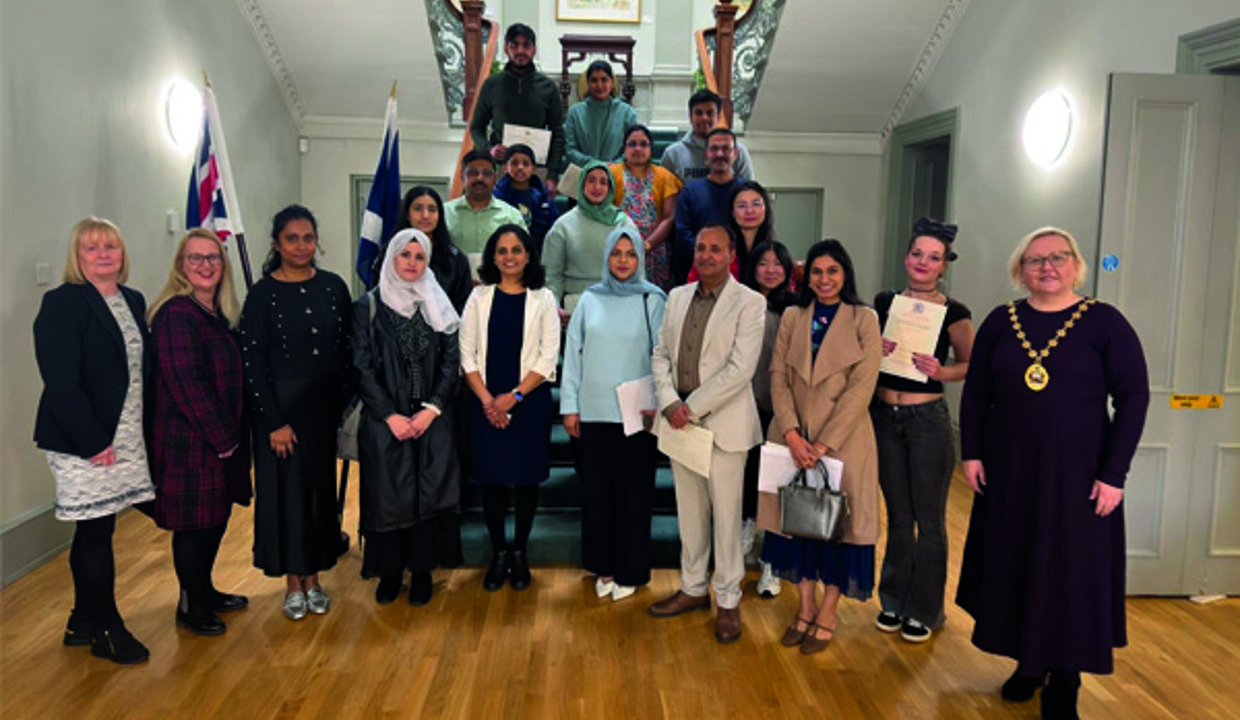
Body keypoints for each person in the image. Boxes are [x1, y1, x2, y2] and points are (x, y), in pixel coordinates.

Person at [957, 227, 1149, 720]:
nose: (1047, 267)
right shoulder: (1002, 322)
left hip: (1079, 474)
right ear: (1020, 270)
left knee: (1070, 572)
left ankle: (1065, 676)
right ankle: (1029, 663)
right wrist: (971, 452)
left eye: (1058, 257)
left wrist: (1114, 474)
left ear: (1076, 266)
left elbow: (1133, 397)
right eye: (1035, 259)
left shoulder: (1104, 322)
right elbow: (977, 391)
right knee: (1018, 562)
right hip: (1011, 470)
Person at [33, 217, 156, 665]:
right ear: (77, 256)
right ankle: (108, 629)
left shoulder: (132, 299)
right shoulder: (63, 303)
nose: (103, 254)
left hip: (126, 435)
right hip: (83, 439)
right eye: (91, 248)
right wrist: (91, 441)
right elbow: (61, 383)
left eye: (111, 246)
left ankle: (81, 621)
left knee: (96, 528)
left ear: (122, 254)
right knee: (96, 530)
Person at [647, 225, 766, 645]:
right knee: (690, 513)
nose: (707, 255)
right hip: (679, 423)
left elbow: (741, 369)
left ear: (731, 254)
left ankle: (729, 600)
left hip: (723, 426)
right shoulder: (677, 297)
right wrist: (669, 403)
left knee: (727, 520)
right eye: (701, 248)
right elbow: (660, 354)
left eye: (716, 248)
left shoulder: (749, 302)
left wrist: (690, 408)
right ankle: (693, 588)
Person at [763, 239, 882, 656]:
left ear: (845, 273)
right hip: (792, 437)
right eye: (816, 271)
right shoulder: (793, 316)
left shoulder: (865, 318)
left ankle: (828, 612)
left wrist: (823, 442)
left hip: (844, 442)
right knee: (796, 523)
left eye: (833, 271)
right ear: (806, 276)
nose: (825, 279)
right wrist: (792, 433)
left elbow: (862, 387)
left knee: (839, 528)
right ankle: (805, 607)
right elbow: (777, 376)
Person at [240, 204, 352, 621]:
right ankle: (293, 582)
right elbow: (252, 361)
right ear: (277, 243)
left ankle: (316, 578)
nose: (301, 246)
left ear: (316, 241)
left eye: (308, 238)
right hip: (279, 415)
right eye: (292, 238)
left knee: (319, 497)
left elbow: (346, 349)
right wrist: (274, 421)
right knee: (286, 498)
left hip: (323, 413)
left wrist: (341, 406)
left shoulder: (334, 286)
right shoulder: (262, 294)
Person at [870, 217, 974, 644]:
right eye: (917, 254)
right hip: (883, 419)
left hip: (926, 422)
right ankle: (893, 600)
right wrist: (872, 348)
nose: (923, 263)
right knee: (898, 516)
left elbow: (971, 364)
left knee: (929, 522)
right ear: (906, 257)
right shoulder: (884, 302)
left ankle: (926, 609)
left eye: (934, 257)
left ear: (944, 265)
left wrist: (941, 371)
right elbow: (859, 354)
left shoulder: (955, 312)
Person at [147, 229, 251, 638]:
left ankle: (205, 589)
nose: (206, 265)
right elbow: (187, 383)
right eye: (196, 258)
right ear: (181, 265)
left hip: (218, 441)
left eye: (213, 258)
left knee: (214, 520)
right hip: (190, 444)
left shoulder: (218, 315)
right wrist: (224, 439)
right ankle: (191, 603)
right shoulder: (176, 315)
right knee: (193, 527)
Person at [352, 229, 462, 607]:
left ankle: (421, 571)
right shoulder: (368, 305)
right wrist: (389, 415)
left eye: (420, 256)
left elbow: (451, 360)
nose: (412, 263)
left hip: (432, 419)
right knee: (389, 498)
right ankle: (390, 572)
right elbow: (361, 366)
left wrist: (433, 408)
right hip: (386, 421)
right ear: (391, 258)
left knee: (427, 498)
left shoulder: (438, 302)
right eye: (405, 255)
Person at [561, 228, 666, 602]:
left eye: (630, 253)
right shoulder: (589, 300)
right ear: (606, 257)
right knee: (597, 494)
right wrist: (570, 406)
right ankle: (602, 566)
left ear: (640, 258)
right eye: (616, 253)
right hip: (593, 412)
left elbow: (662, 356)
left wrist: (659, 403)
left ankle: (630, 569)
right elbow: (573, 355)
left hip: (637, 414)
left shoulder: (653, 299)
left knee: (633, 496)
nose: (623, 260)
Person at [459, 225, 560, 592]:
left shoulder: (543, 299)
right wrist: (489, 401)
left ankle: (520, 552)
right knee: (493, 480)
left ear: (528, 255)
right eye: (502, 251)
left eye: (517, 250)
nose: (509, 257)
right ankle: (499, 552)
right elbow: (466, 354)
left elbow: (548, 357)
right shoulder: (478, 297)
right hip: (484, 402)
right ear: (492, 257)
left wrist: (512, 398)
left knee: (526, 480)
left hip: (528, 403)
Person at [738, 240, 797, 599]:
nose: (771, 270)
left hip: (784, 410)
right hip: (746, 406)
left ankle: (772, 565)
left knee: (779, 487)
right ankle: (746, 529)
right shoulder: (740, 303)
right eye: (763, 263)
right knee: (748, 478)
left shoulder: (796, 307)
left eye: (778, 263)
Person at [469, 23, 565, 195]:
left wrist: (552, 175)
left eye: (526, 45)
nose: (520, 50)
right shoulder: (491, 85)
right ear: (506, 49)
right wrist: (489, 149)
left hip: (536, 170)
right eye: (514, 45)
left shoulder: (548, 87)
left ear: (534, 50)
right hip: (501, 169)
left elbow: (557, 133)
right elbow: (476, 128)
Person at [543, 160, 638, 317]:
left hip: (618, 303)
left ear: (610, 187)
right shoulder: (563, 226)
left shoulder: (624, 224)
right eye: (591, 180)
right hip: (575, 307)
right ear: (582, 184)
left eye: (603, 182)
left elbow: (637, 274)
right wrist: (554, 307)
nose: (597, 187)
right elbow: (551, 276)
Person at [610, 124, 682, 292]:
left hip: (655, 251)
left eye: (643, 144)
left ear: (650, 149)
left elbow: (669, 217)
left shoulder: (664, 177)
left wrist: (647, 245)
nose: (638, 148)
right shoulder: (611, 174)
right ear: (624, 148)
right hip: (620, 250)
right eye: (632, 144)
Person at [376, 186, 472, 312]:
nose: (425, 215)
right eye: (418, 209)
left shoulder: (456, 260)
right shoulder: (390, 254)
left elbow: (463, 307)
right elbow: (377, 299)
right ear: (407, 214)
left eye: (432, 210)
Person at [671, 128, 746, 284]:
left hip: (740, 274)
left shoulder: (746, 192)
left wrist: (729, 259)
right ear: (706, 154)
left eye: (726, 148)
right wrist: (708, 256)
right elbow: (683, 233)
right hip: (697, 275)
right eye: (714, 148)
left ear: (735, 153)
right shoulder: (690, 192)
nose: (719, 154)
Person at [687, 179, 776, 283]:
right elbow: (693, 285)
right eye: (741, 206)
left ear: (766, 208)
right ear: (733, 212)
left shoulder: (774, 250)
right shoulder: (715, 248)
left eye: (756, 204)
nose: (749, 210)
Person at [660, 89, 755, 183]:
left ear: (718, 117)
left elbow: (749, 188)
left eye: (710, 113)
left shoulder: (738, 151)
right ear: (690, 117)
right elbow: (663, 190)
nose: (704, 118)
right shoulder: (673, 154)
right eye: (699, 113)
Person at [444, 149, 527, 257]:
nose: (480, 178)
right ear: (462, 176)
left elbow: (523, 253)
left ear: (495, 178)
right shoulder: (444, 213)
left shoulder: (512, 216)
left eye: (487, 173)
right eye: (473, 173)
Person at [564, 60, 638, 169]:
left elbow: (633, 148)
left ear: (612, 82)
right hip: (583, 172)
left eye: (604, 80)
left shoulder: (627, 113)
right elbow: (570, 150)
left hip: (617, 172)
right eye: (594, 80)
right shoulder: (575, 113)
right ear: (588, 83)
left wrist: (613, 165)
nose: (599, 85)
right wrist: (593, 164)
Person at [493, 144, 558, 252]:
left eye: (525, 164)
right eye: (514, 163)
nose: (520, 167)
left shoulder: (544, 200)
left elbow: (553, 232)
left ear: (534, 169)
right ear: (505, 167)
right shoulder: (497, 198)